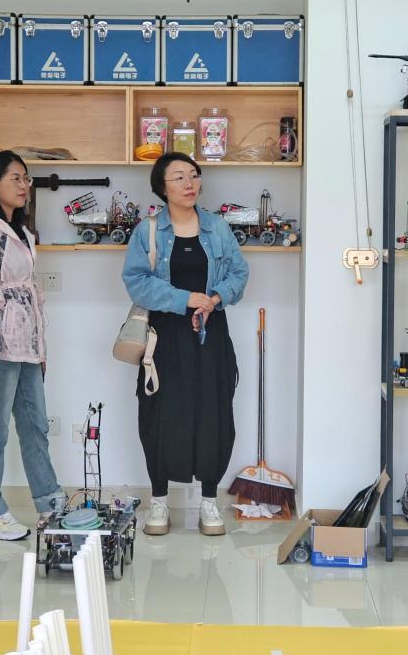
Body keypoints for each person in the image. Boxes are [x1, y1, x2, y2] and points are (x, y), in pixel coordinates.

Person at [121, 152, 249, 537]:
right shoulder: (147, 231)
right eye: (178, 177)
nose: (189, 183)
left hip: (211, 333)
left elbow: (239, 272)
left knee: (214, 413)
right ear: (162, 188)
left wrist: (214, 299)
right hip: (164, 337)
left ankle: (209, 501)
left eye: (193, 175)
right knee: (159, 414)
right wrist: (185, 299)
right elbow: (136, 281)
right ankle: (159, 500)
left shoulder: (217, 228)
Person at [0, 150, 66, 540]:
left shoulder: (19, 231)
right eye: (15, 178)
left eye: (27, 179)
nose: (24, 186)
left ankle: (49, 503)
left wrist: (40, 350)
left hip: (25, 345)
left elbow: (30, 294)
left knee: (35, 425)